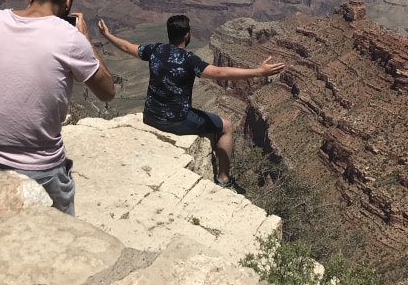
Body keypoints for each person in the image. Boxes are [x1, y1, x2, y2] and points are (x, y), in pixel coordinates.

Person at [0, 0, 115, 216]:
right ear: (68, 2)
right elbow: (107, 92)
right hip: (41, 171)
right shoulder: (70, 38)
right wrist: (86, 40)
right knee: (61, 241)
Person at [98, 15, 284, 188]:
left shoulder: (155, 50)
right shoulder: (189, 60)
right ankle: (224, 179)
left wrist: (107, 34)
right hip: (176, 121)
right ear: (187, 35)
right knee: (226, 126)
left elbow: (126, 47)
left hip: (150, 116)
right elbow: (219, 73)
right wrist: (259, 72)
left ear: (169, 33)